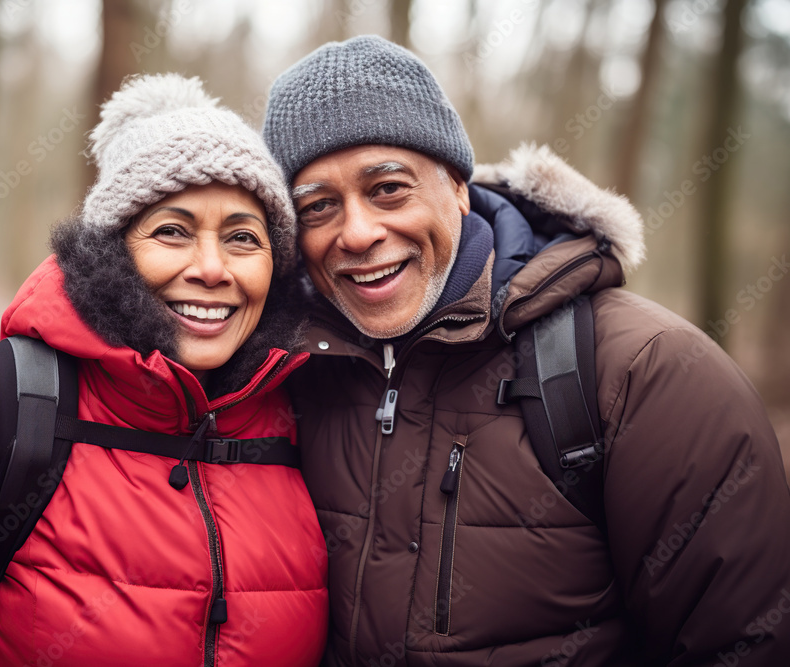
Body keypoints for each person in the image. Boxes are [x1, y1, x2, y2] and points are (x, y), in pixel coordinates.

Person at [262, 35, 790, 666]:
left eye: (388, 189)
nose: (357, 232)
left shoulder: (647, 374)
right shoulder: (280, 373)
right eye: (319, 206)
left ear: (456, 185)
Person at [0, 74, 327, 666]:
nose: (211, 267)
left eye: (243, 238)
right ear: (112, 251)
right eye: (172, 231)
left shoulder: (299, 424)